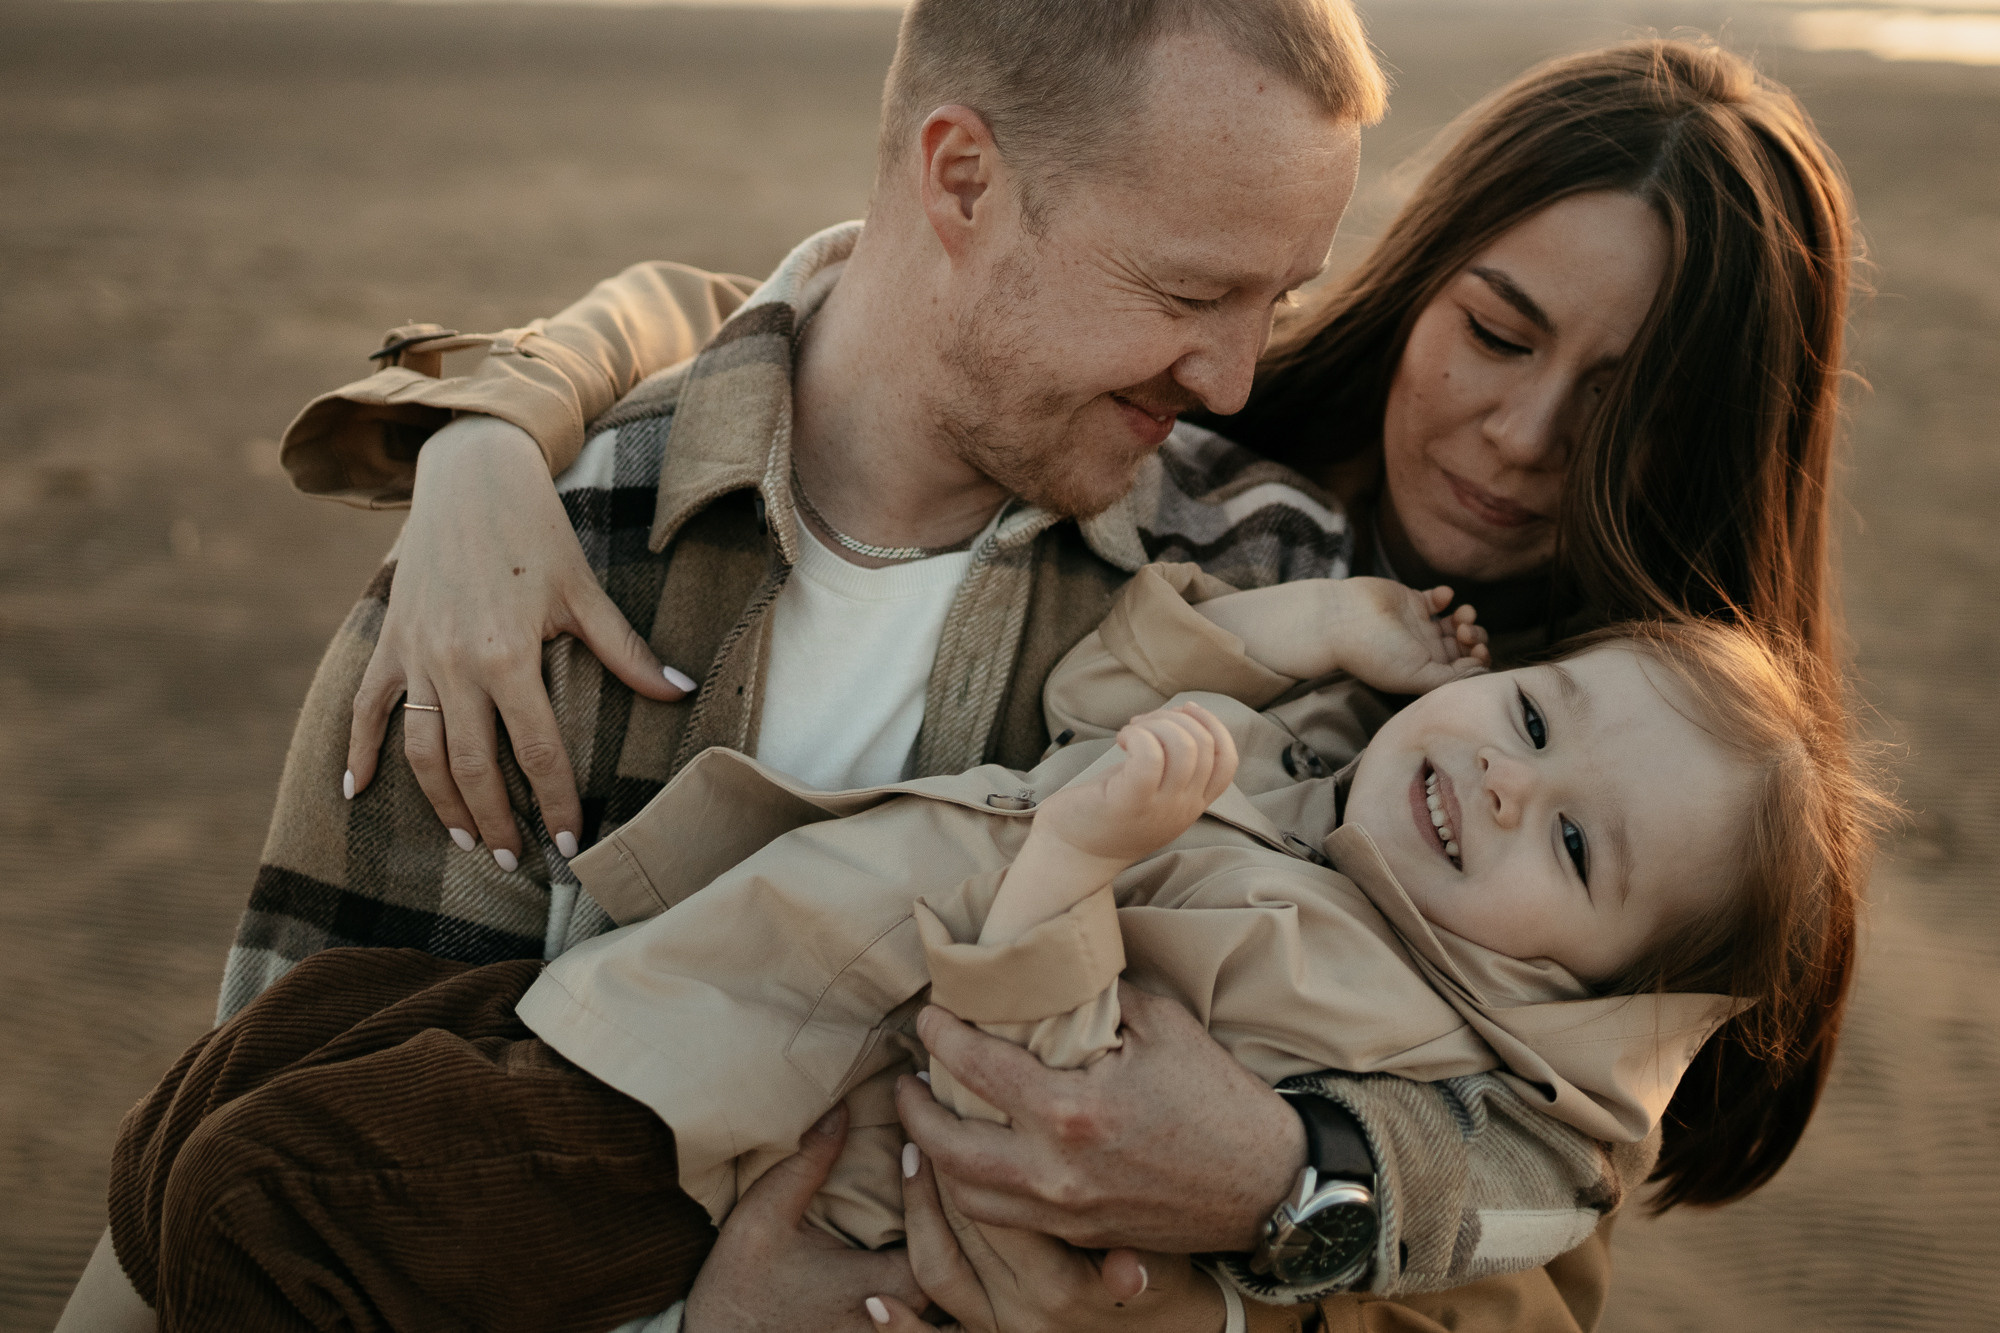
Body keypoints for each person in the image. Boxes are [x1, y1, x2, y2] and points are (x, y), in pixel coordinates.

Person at [109, 22, 1859, 1333]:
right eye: (1496, 330)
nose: (1528, 438)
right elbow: (816, 314)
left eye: (1628, 413)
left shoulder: (1631, 807)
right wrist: (491, 425)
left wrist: (1268, 1212)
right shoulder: (1242, 561)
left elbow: (1535, 1231)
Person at [100, 564, 1882, 1333]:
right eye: (1540, 712)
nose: (1506, 780)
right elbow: (1107, 693)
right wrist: (1309, 626)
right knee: (248, 1078)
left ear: (1579, 987)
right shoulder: (1312, 785)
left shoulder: (1373, 1003)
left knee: (279, 1206)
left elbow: (1058, 1097)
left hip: (712, 1125)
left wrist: (1082, 860)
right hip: (656, 990)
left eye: (1576, 843)